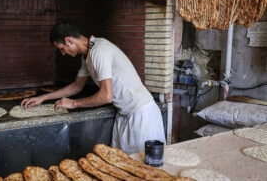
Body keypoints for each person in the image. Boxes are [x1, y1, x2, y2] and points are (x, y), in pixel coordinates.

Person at [21, 22, 166, 155]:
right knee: (123, 169)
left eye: (62, 48)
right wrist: (42, 98)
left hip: (142, 115)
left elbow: (106, 96)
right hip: (125, 115)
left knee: (145, 170)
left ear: (69, 40)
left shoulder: (100, 51)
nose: (63, 53)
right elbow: (76, 87)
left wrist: (73, 103)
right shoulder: (87, 56)